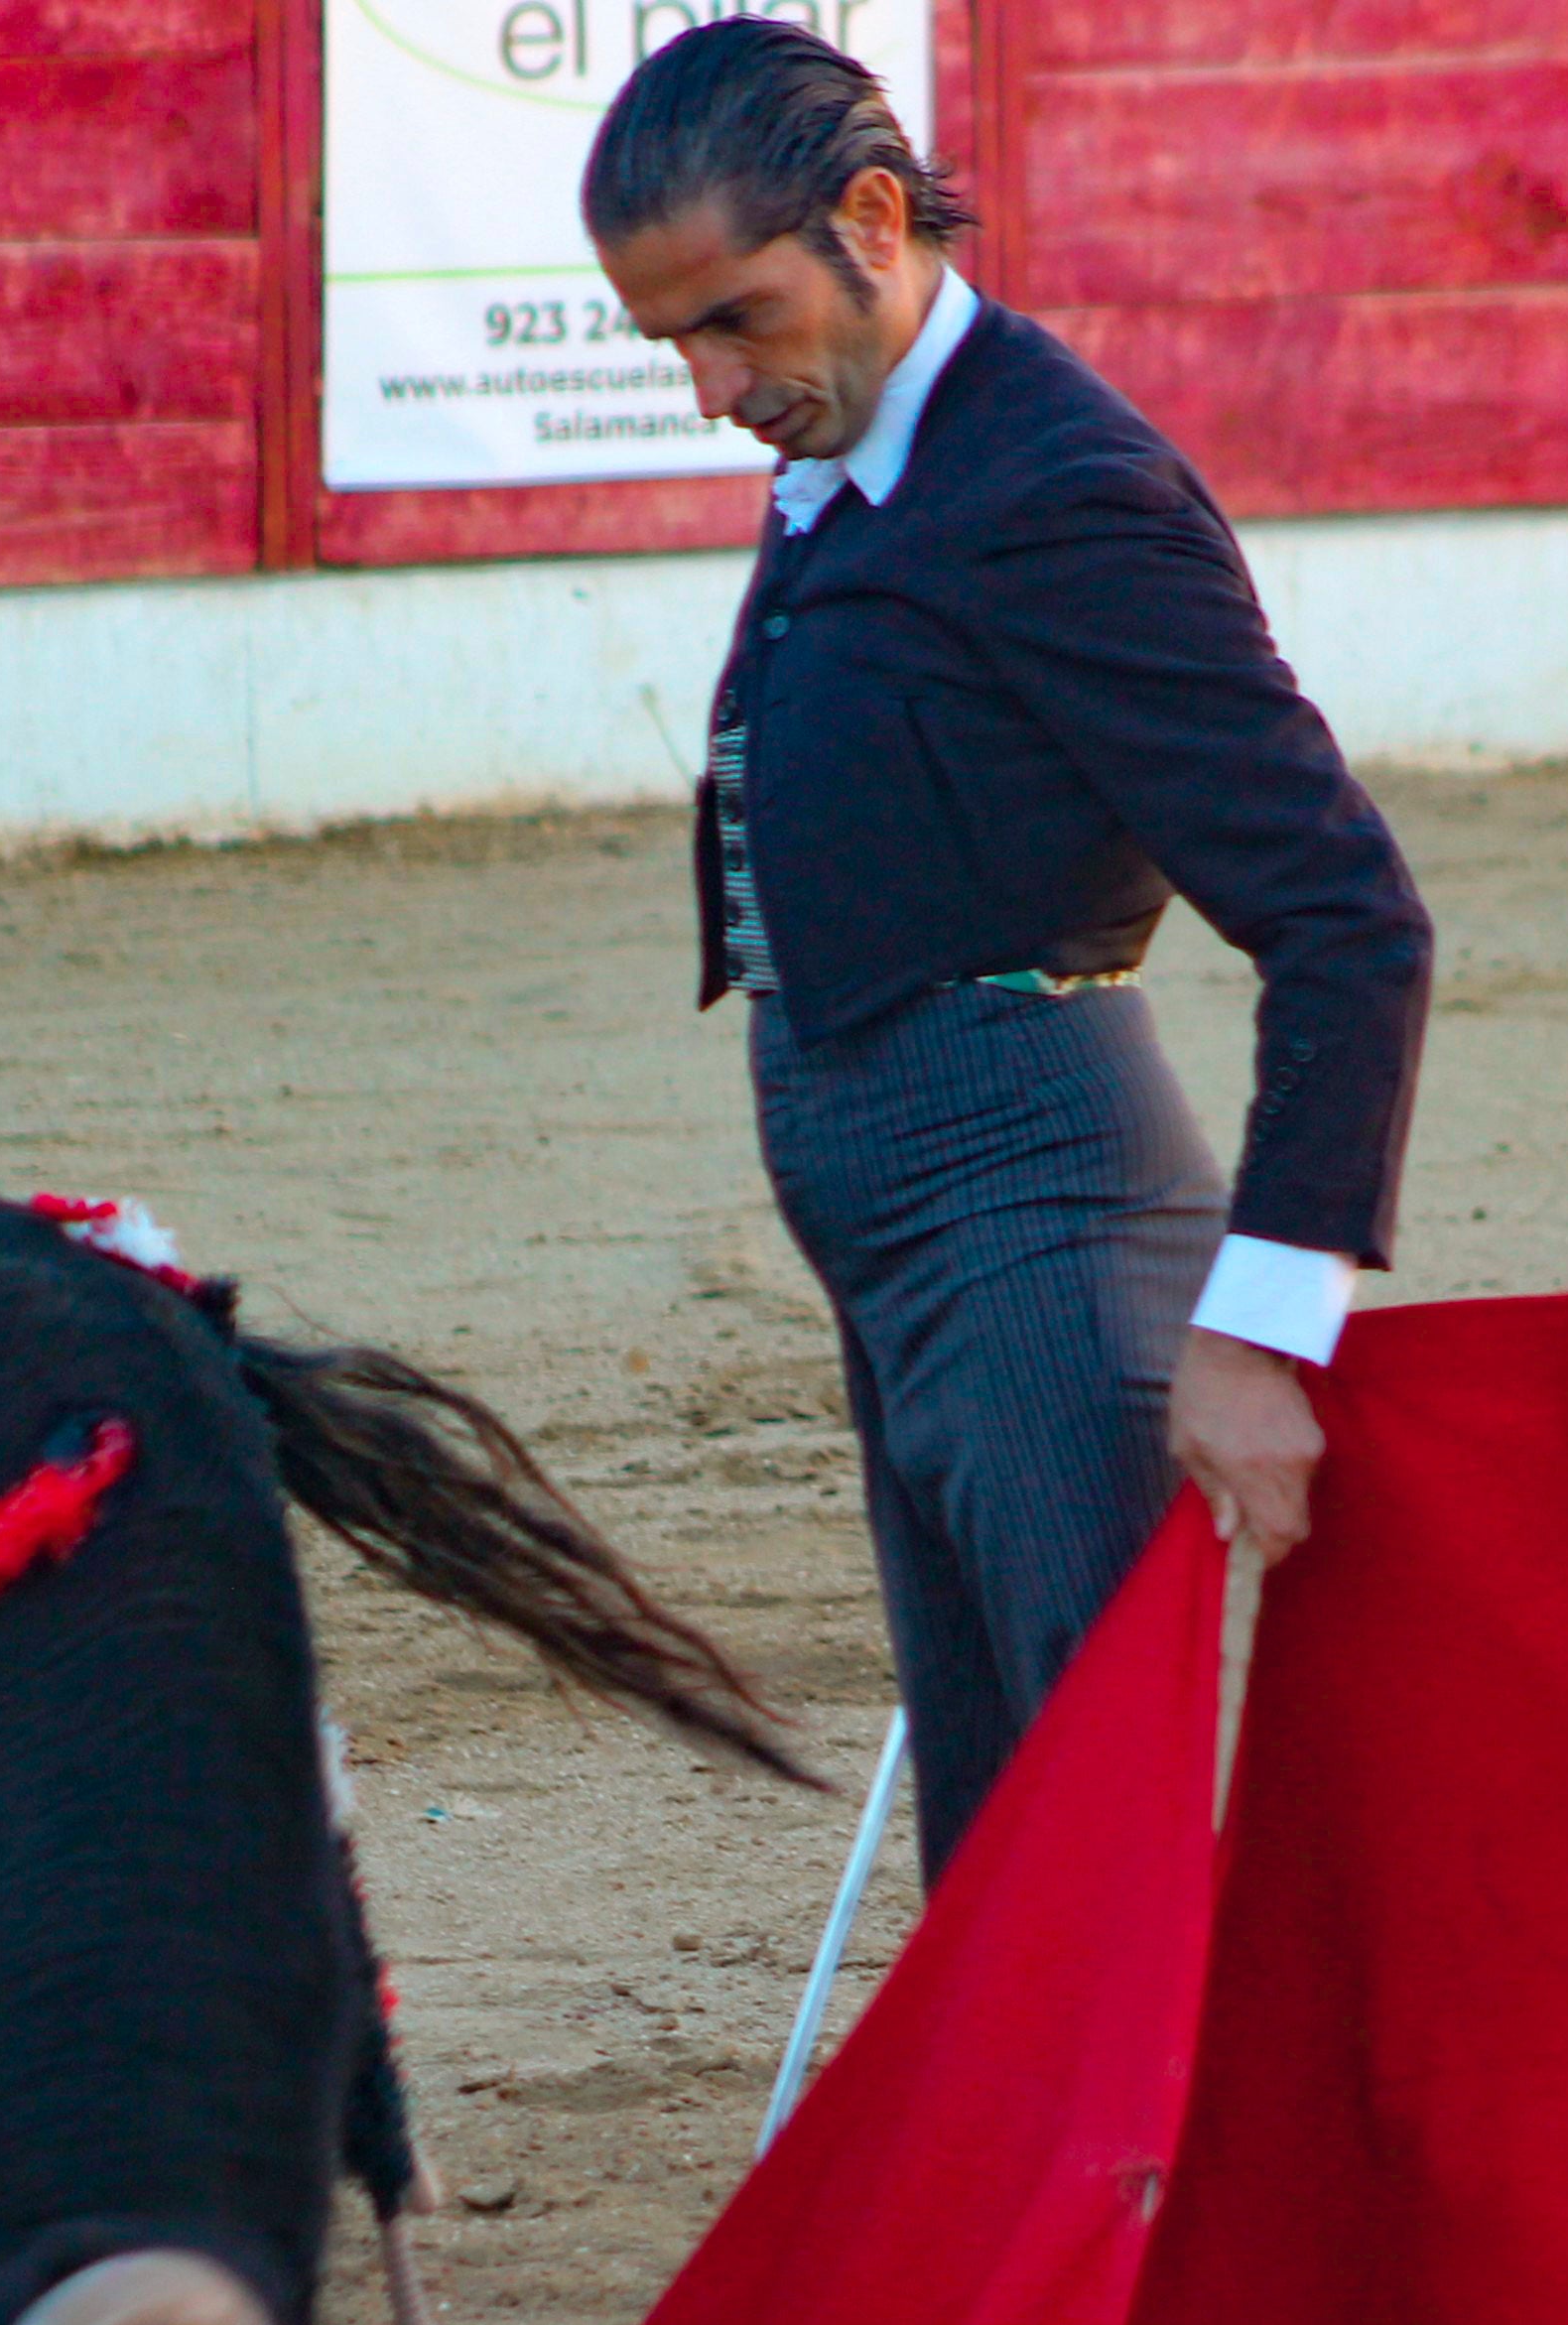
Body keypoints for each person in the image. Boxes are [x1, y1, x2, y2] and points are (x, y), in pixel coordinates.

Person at [581, 20, 1434, 1874]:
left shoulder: (1055, 490)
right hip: (912, 1239)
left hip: (1036, 1231)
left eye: (736, 319)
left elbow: (1348, 920)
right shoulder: (873, 454)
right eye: (674, 345)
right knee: (1009, 1835)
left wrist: (1261, 1329)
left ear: (872, 221)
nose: (712, 390)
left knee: (1099, 1844)